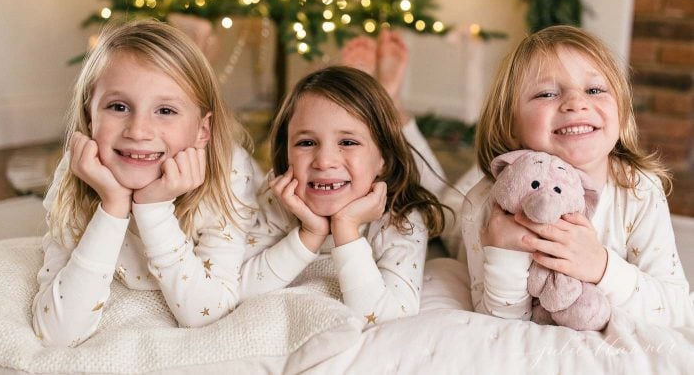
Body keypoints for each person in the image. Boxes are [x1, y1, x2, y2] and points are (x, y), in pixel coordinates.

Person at [32, 20, 259, 347]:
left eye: (165, 110)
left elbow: (207, 315)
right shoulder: (77, 170)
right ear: (90, 115)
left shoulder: (230, 173)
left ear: (202, 131)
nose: (138, 131)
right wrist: (112, 208)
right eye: (118, 107)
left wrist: (153, 209)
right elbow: (57, 334)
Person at [460, 25, 692, 327]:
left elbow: (678, 310)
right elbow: (498, 326)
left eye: (594, 90)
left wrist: (601, 266)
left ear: (621, 111)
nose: (576, 102)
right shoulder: (482, 206)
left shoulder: (638, 191)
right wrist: (504, 256)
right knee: (447, 210)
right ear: (509, 124)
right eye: (546, 93)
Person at [239, 65, 448, 325]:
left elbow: (387, 318)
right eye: (306, 143)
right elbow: (235, 291)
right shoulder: (279, 199)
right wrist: (310, 234)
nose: (325, 161)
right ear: (286, 155)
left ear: (383, 157)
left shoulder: (400, 217)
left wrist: (346, 228)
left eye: (348, 142)